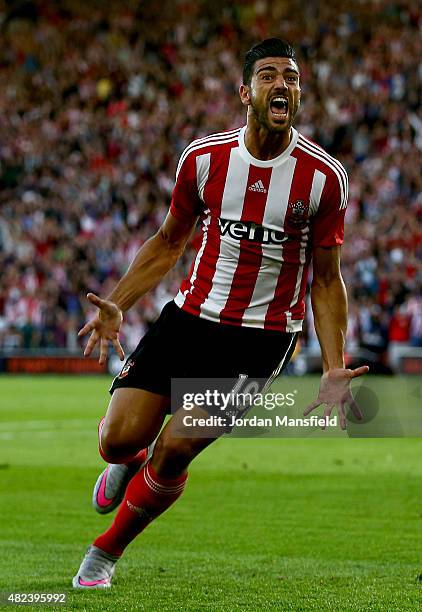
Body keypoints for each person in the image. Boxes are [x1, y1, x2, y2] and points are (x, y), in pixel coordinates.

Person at [72, 38, 368, 588]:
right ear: (244, 92)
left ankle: (104, 553)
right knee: (118, 440)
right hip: (188, 319)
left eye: (292, 77)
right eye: (269, 76)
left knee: (177, 447)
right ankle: (123, 461)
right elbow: (166, 242)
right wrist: (119, 301)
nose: (283, 84)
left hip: (257, 340)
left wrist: (334, 364)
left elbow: (326, 280)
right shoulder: (204, 159)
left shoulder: (323, 178)